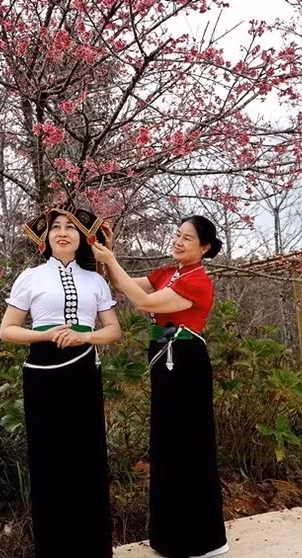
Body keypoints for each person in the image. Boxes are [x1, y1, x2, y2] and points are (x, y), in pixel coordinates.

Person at [92, 215, 229, 558]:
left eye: (188, 238)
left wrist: (111, 260)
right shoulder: (169, 273)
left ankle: (201, 541)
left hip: (186, 364)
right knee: (166, 445)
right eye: (177, 234)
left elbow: (146, 302)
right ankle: (170, 539)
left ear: (205, 247)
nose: (179, 241)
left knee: (190, 444)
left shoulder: (198, 281)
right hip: (165, 363)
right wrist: (108, 254)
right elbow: (124, 286)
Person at [0, 205, 121, 558]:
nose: (63, 232)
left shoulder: (95, 280)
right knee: (49, 459)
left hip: (84, 368)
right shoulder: (30, 277)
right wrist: (45, 334)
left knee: (87, 457)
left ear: (82, 237)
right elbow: (7, 331)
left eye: (70, 227)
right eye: (56, 227)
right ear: (46, 237)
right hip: (43, 372)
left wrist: (86, 338)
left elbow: (113, 331)